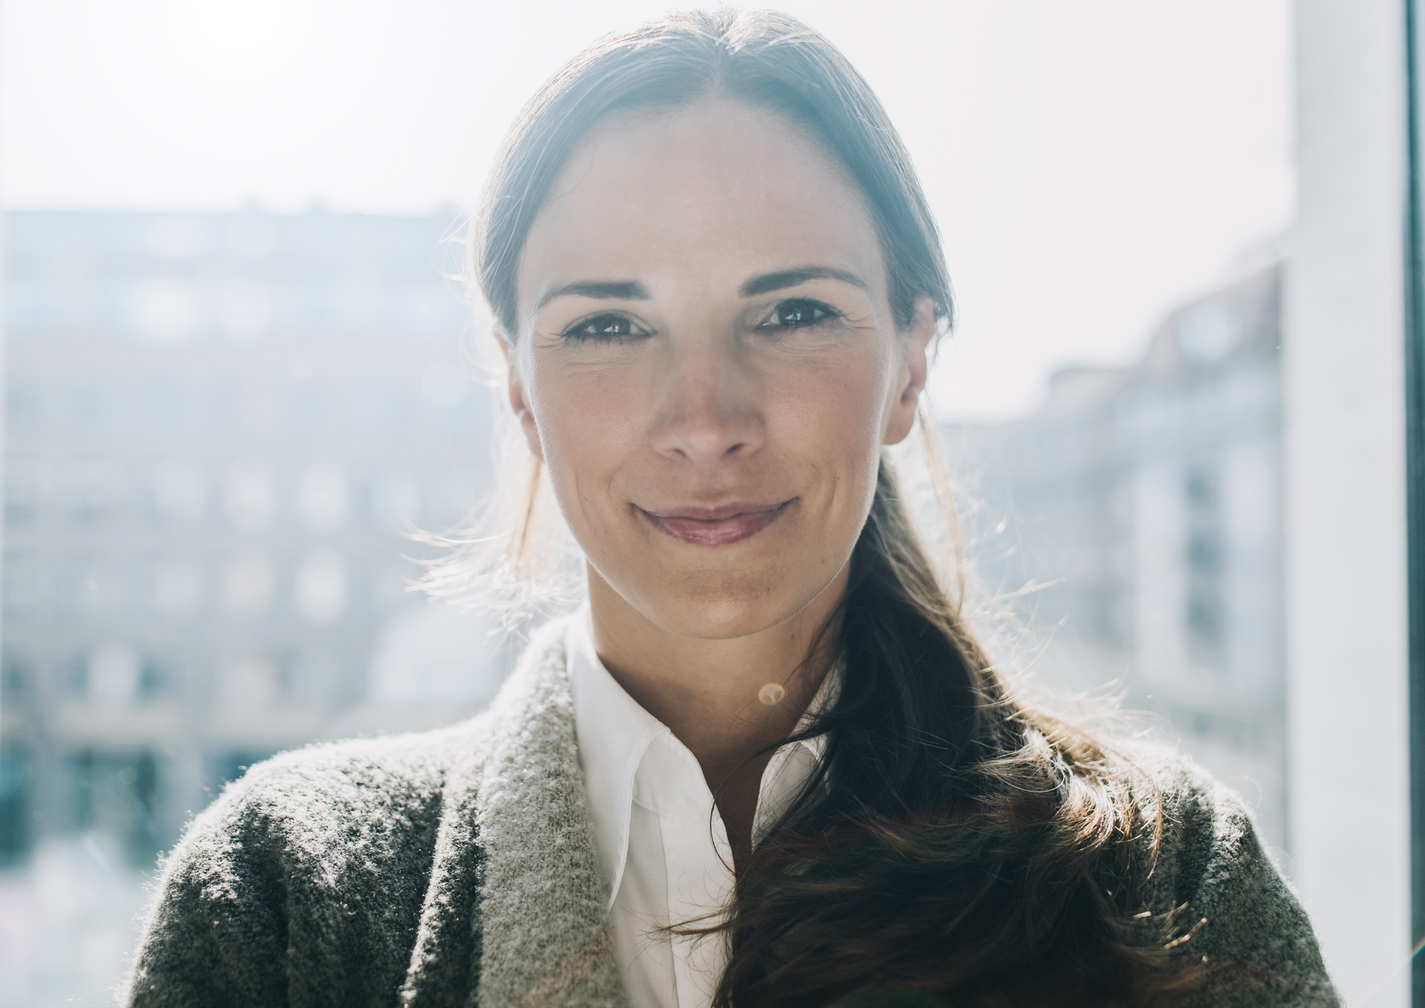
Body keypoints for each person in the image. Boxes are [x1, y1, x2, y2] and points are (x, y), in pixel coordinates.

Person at [123, 10, 1337, 1008]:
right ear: (517, 387)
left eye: (793, 312)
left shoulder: (1166, 876)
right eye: (607, 325)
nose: (704, 417)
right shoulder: (290, 895)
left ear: (911, 362)